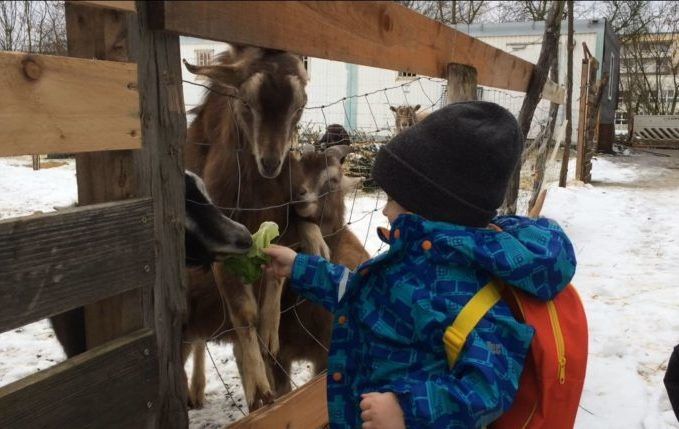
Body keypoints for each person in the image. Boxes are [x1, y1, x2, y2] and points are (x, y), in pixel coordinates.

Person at [264, 101, 576, 429]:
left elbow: (489, 386)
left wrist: (408, 410)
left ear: (428, 207)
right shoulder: (414, 258)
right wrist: (300, 266)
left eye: (391, 200)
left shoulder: (468, 290)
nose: (384, 211)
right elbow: (364, 292)